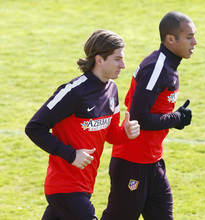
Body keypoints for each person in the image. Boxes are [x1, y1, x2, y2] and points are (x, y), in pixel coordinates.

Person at [25, 29, 140, 220]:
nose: (124, 65)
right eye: (117, 59)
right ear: (99, 59)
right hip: (65, 186)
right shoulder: (73, 92)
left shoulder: (111, 89)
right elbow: (34, 127)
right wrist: (71, 155)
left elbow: (110, 134)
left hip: (85, 184)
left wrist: (126, 132)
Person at [101, 11, 197, 220]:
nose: (195, 42)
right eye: (189, 37)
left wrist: (174, 118)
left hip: (153, 161)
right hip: (131, 161)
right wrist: (177, 119)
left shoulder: (167, 66)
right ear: (170, 39)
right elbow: (139, 118)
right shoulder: (157, 67)